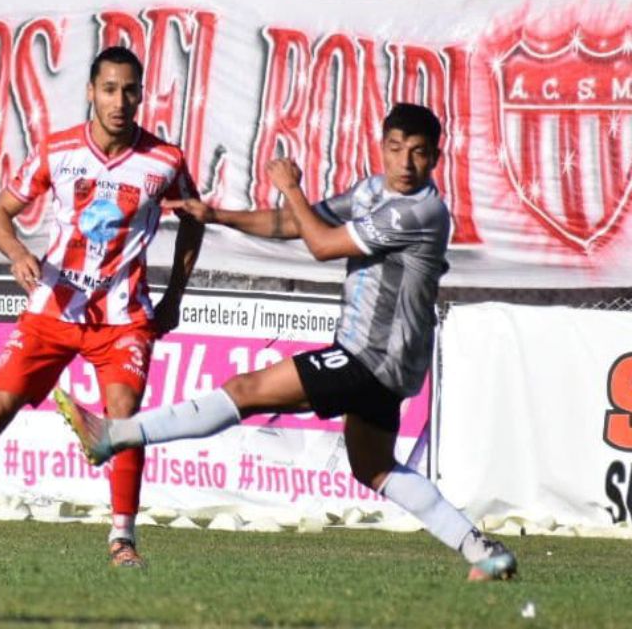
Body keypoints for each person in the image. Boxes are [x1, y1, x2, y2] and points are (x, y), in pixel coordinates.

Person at [54, 103, 518, 582]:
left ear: (435, 158)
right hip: (386, 364)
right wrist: (215, 215)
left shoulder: (419, 211)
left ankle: (114, 436)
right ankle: (481, 550)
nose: (405, 163)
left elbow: (321, 245)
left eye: (418, 154)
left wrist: (291, 186)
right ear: (382, 148)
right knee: (374, 467)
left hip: (370, 357)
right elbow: (299, 223)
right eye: (396, 149)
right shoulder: (373, 192)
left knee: (245, 390)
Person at [0, 46, 205, 568]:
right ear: (90, 91)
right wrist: (19, 254)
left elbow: (195, 221)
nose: (119, 100)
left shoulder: (165, 161)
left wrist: (175, 296)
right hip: (52, 311)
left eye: (129, 90)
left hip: (122, 320)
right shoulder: (57, 150)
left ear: (141, 95)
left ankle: (122, 539)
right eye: (109, 89)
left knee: (124, 419)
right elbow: (0, 214)